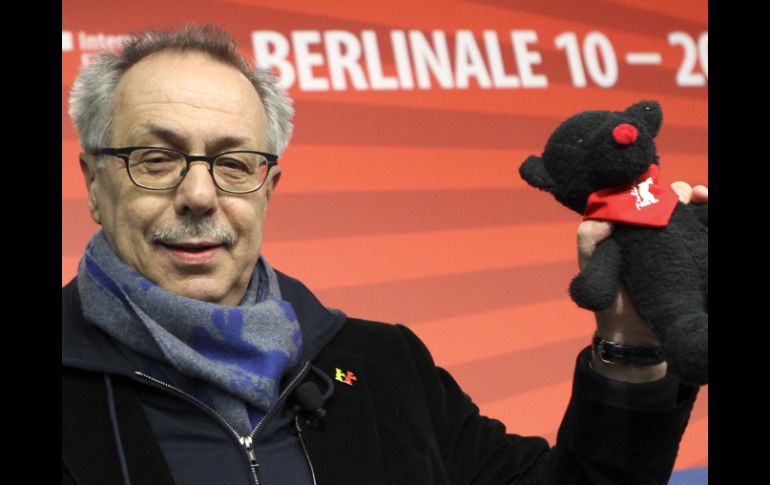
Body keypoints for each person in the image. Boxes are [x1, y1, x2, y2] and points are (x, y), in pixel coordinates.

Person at [62, 24, 707, 485]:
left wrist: (632, 342)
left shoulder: (380, 363)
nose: (200, 194)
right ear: (94, 182)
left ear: (269, 188)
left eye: (234, 163)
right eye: (157, 160)